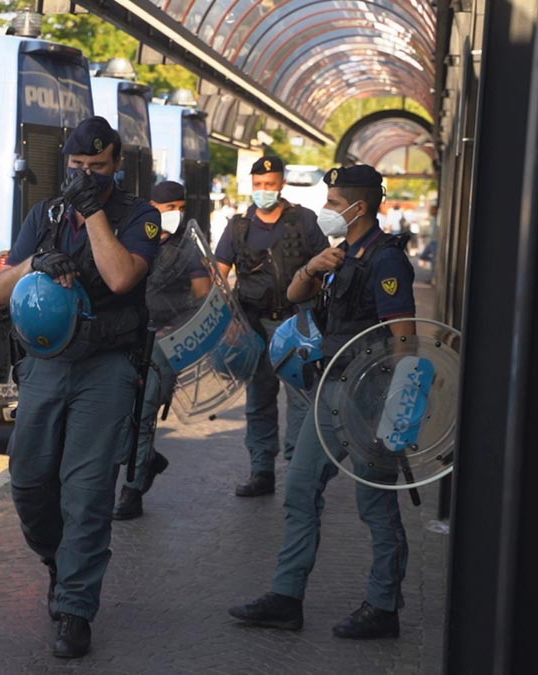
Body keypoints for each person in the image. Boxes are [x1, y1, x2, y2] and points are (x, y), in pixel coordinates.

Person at [0, 116, 159, 658]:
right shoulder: (44, 214)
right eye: (78, 167)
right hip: (45, 365)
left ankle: (74, 608)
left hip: (105, 368)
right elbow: (0, 290)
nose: (86, 175)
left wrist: (91, 214)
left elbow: (119, 277)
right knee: (30, 483)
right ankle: (57, 562)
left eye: (98, 167)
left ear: (117, 165)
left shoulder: (141, 216)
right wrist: (36, 263)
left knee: (86, 492)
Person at [229, 165, 414, 639]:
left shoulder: (385, 260)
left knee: (374, 502)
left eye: (334, 203)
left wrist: (396, 411)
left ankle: (383, 604)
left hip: (367, 394)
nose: (328, 210)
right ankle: (286, 597)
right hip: (328, 390)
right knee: (300, 489)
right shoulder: (338, 253)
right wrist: (311, 268)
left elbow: (404, 341)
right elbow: (296, 296)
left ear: (359, 206)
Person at [215, 156, 328, 496]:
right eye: (259, 185)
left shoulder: (303, 220)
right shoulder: (238, 226)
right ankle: (262, 471)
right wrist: (228, 321)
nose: (264, 190)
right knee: (259, 397)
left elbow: (324, 264)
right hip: (253, 322)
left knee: (301, 397)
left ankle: (299, 471)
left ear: (281, 184)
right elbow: (217, 276)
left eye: (270, 184)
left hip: (297, 323)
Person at [113, 180, 211, 520]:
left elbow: (204, 296)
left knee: (143, 414)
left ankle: (133, 490)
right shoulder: (134, 237)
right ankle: (147, 461)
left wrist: (181, 330)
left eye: (175, 209)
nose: (170, 215)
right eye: (163, 208)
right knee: (121, 413)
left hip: (165, 342)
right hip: (129, 337)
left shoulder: (188, 249)